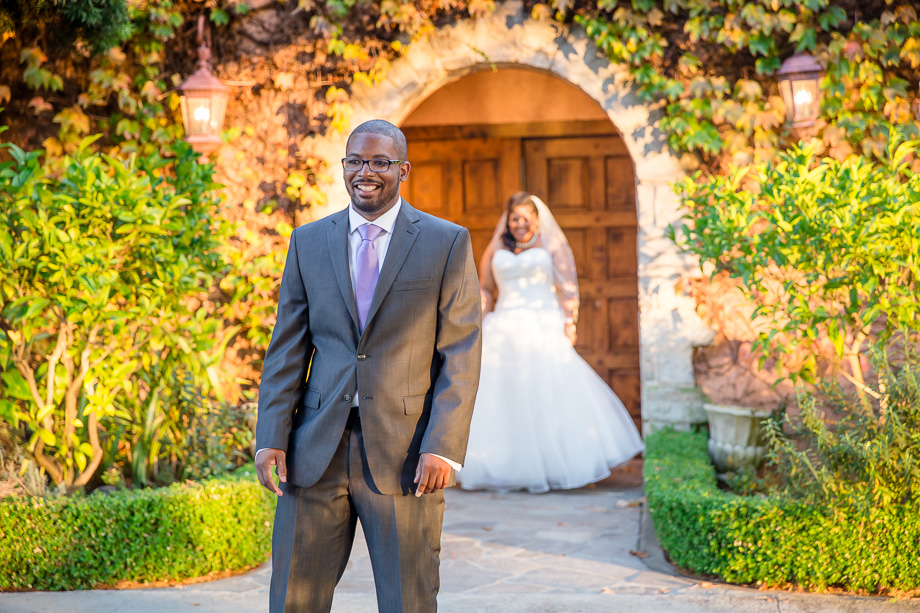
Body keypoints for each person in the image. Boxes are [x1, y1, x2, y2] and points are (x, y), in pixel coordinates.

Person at [254, 119, 482, 612]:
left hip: (405, 455)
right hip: (314, 451)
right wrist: (271, 435)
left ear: (403, 170)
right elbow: (287, 349)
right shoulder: (308, 242)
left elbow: (460, 353)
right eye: (355, 160)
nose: (366, 172)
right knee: (294, 598)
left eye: (380, 162)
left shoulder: (446, 242)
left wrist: (442, 447)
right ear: (344, 167)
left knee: (408, 599)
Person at [456, 192, 644, 494]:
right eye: (514, 218)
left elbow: (568, 286)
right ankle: (504, 465)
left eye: (525, 218)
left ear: (536, 219)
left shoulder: (551, 244)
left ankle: (556, 464)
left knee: (548, 392)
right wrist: (479, 318)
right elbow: (487, 289)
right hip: (503, 325)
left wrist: (570, 321)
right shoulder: (496, 248)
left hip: (542, 321)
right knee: (501, 396)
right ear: (507, 219)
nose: (520, 224)